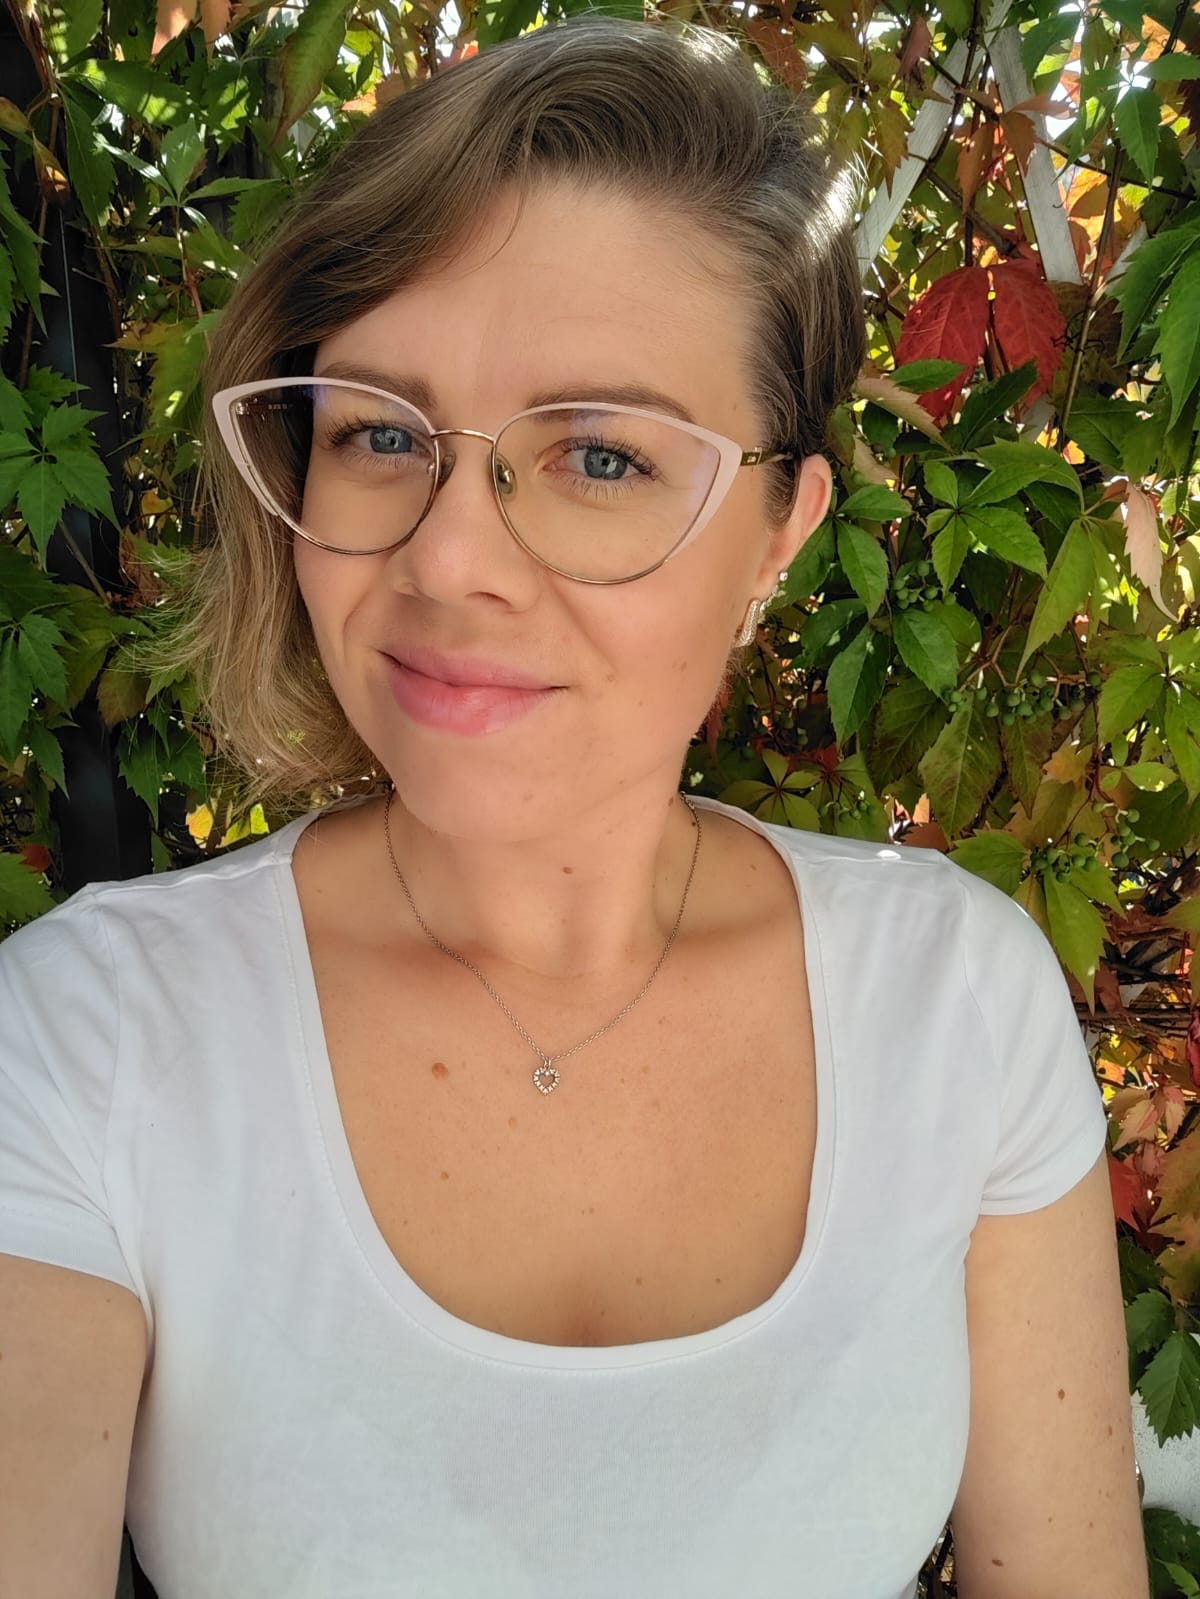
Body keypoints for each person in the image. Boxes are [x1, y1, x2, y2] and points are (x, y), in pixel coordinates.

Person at [0, 15, 1145, 1599]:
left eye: (600, 457)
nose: (447, 558)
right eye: (380, 434)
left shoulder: (952, 1006)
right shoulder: (96, 1041)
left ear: (779, 533)